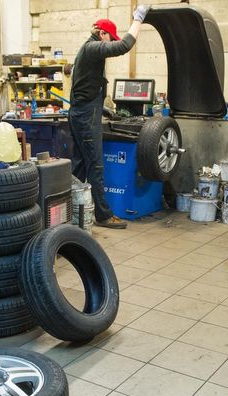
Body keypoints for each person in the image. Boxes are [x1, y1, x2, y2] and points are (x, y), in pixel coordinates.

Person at [69, 5, 151, 229]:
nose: (108, 42)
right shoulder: (93, 47)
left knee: (79, 167)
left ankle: (69, 213)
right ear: (102, 33)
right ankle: (103, 215)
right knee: (95, 166)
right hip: (86, 115)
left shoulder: (88, 51)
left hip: (83, 112)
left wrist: (101, 107)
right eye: (109, 38)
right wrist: (138, 20)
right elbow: (124, 46)